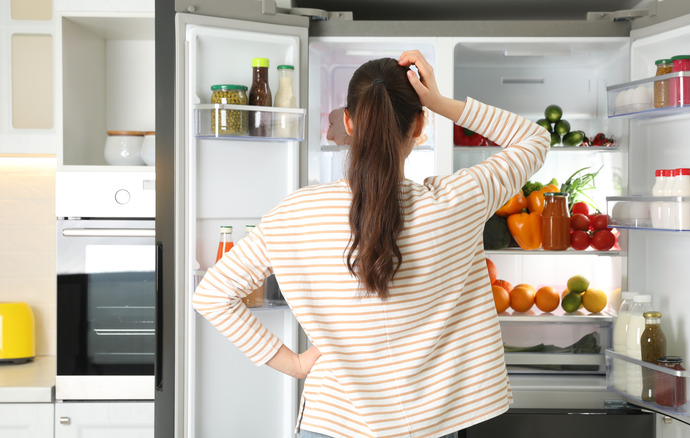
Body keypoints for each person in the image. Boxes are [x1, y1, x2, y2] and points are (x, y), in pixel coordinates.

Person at [193, 50, 550, 438]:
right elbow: (533, 138)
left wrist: (295, 365)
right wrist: (437, 100)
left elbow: (212, 295)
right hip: (431, 424)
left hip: (332, 424)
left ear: (348, 121)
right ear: (418, 125)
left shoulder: (294, 213)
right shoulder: (458, 200)